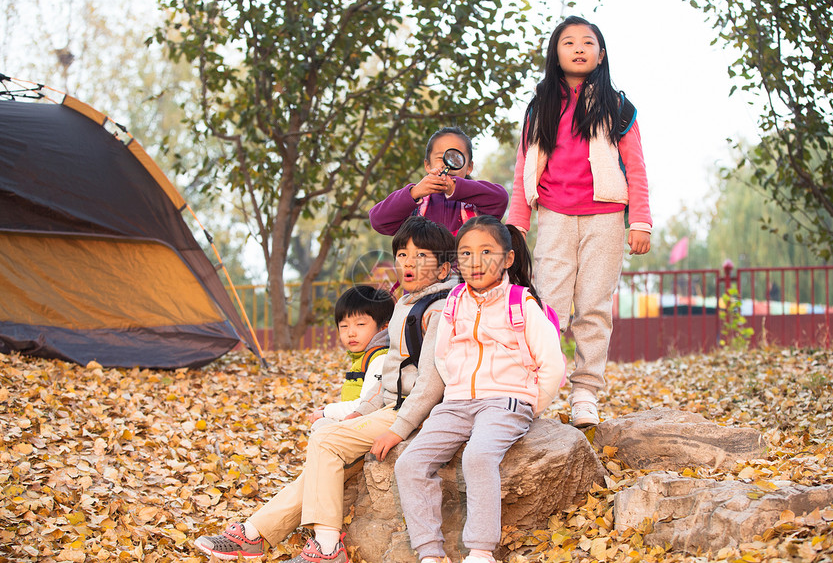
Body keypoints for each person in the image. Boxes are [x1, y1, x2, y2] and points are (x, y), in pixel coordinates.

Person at [192, 216, 457, 562]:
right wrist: (359, 414)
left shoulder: (440, 309)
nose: (408, 263)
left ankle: (328, 546)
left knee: (325, 442)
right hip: (389, 408)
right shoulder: (406, 304)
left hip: (416, 415)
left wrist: (398, 429)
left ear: (443, 269)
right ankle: (255, 533)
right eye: (403, 255)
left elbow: (431, 383)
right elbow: (390, 375)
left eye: (422, 256)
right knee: (324, 458)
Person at [508, 15, 652, 429]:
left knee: (593, 307)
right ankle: (537, 390)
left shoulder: (618, 107)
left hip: (605, 218)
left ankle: (585, 392)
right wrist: (517, 223)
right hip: (553, 216)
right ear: (556, 53)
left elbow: (636, 169)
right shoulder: (540, 108)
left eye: (587, 42)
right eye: (567, 42)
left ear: (600, 54)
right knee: (546, 305)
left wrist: (640, 221)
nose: (578, 48)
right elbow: (524, 168)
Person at [394, 215, 566, 563]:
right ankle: (430, 552)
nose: (475, 262)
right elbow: (442, 354)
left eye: (487, 252)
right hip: (457, 403)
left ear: (508, 259)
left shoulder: (522, 303)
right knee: (410, 462)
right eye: (467, 254)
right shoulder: (455, 301)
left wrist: (529, 404)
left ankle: (481, 549)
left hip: (505, 402)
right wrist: (456, 387)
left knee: (478, 456)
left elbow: (553, 365)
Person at [369, 126, 509, 236]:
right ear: (427, 166)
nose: (447, 163)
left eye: (456, 158)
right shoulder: (415, 208)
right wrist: (414, 192)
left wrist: (455, 187)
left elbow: (500, 198)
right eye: (440, 157)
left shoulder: (476, 205)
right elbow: (378, 220)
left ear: (469, 167)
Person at [309, 285, 395, 430]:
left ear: (383, 328)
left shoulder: (380, 358)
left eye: (360, 324)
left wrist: (327, 412)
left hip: (372, 424)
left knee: (322, 426)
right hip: (358, 421)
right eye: (344, 326)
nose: (351, 333)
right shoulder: (363, 357)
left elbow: (365, 405)